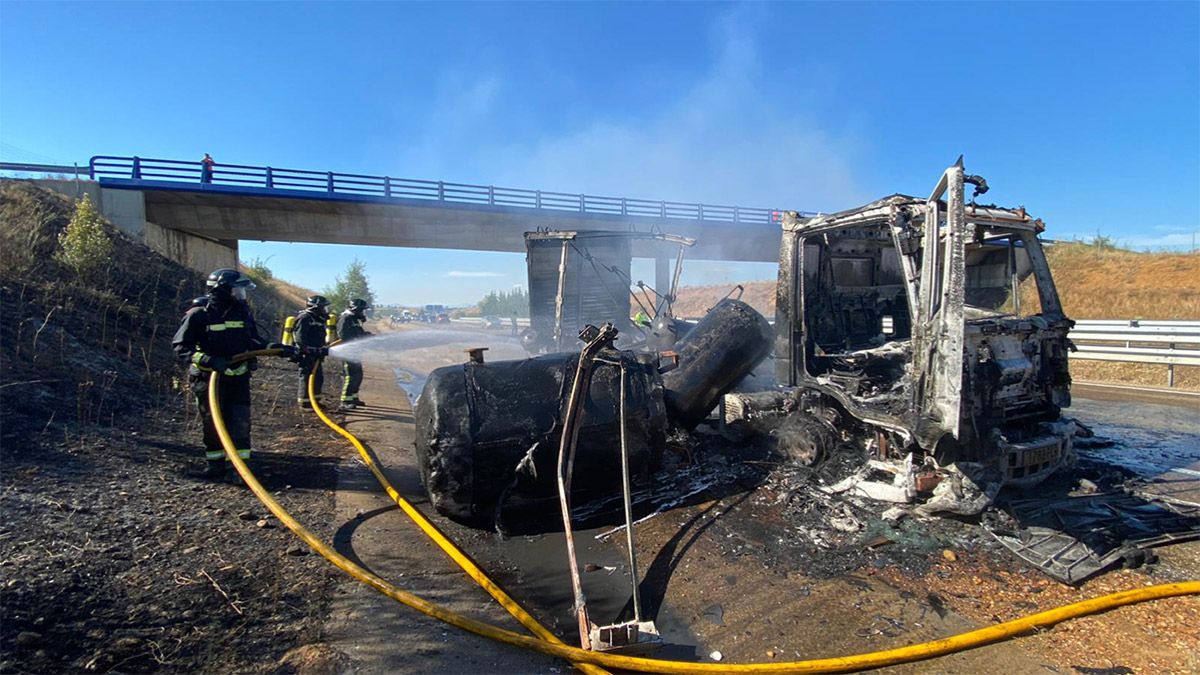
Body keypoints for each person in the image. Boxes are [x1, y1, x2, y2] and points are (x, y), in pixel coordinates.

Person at [173, 268, 292, 480]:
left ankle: (238, 469)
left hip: (239, 376)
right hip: (209, 379)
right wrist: (208, 360)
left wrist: (278, 348)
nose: (242, 295)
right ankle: (215, 466)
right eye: (238, 291)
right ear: (223, 290)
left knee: (240, 422)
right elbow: (181, 346)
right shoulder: (199, 314)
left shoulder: (242, 312)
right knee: (213, 423)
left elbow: (254, 341)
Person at [293, 294, 331, 409]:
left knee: (317, 377)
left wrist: (322, 348)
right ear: (315, 307)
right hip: (307, 354)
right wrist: (308, 350)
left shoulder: (317, 318)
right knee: (306, 377)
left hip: (316, 354)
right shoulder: (305, 318)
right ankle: (304, 402)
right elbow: (300, 338)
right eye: (323, 307)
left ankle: (315, 401)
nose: (325, 310)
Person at [336, 298, 372, 410]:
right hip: (348, 352)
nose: (363, 313)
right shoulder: (346, 318)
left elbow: (358, 332)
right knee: (350, 376)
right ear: (356, 309)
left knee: (357, 375)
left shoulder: (354, 319)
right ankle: (345, 401)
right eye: (362, 310)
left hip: (355, 352)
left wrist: (366, 335)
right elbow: (343, 335)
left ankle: (353, 397)